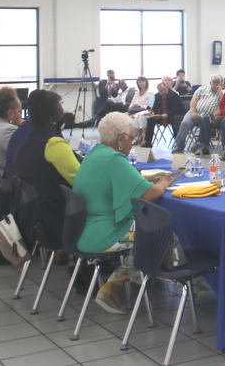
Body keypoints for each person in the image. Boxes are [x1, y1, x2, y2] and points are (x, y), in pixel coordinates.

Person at [73, 112, 173, 314]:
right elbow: (150, 194)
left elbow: (126, 180)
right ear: (121, 139)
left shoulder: (95, 153)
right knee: (159, 231)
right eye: (132, 139)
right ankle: (116, 285)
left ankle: (136, 282)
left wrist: (149, 178)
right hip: (104, 234)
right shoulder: (114, 160)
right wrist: (163, 182)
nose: (133, 144)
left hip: (84, 229)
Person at [10, 90, 80, 246]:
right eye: (60, 108)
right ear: (53, 117)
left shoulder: (26, 142)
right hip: (56, 216)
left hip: (33, 216)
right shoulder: (53, 144)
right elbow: (81, 181)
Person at [173, 75, 222, 154]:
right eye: (214, 82)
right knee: (185, 123)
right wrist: (193, 111)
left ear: (221, 83)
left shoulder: (223, 93)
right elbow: (194, 100)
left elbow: (223, 105)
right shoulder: (202, 89)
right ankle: (179, 146)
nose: (216, 84)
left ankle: (199, 145)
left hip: (209, 116)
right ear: (210, 83)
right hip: (195, 111)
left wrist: (220, 92)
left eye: (218, 82)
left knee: (206, 121)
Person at [142, 80, 187, 147]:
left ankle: (178, 143)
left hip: (175, 115)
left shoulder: (174, 95)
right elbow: (155, 108)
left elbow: (176, 110)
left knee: (175, 119)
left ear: (167, 88)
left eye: (164, 89)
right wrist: (152, 113)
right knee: (150, 120)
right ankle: (147, 142)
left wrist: (164, 115)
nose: (163, 92)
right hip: (162, 116)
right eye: (160, 91)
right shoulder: (157, 96)